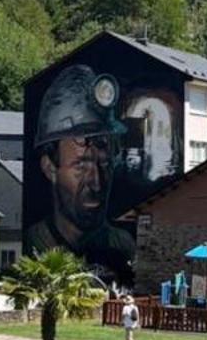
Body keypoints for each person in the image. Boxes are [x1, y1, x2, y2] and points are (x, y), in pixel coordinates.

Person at [25, 64, 137, 272]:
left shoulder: (124, 245)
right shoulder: (34, 245)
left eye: (104, 163)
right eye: (81, 165)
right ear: (49, 168)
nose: (96, 181)